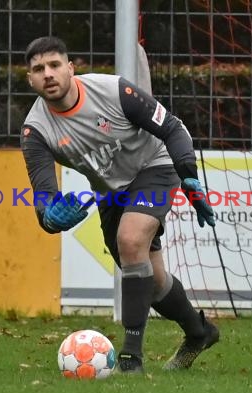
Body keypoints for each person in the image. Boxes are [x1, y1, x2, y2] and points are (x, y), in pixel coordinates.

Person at [20, 36, 219, 373]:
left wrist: (188, 175)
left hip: (156, 165)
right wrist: (50, 217)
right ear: (30, 79)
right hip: (111, 191)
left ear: (71, 68)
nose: (48, 74)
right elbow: (43, 195)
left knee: (130, 240)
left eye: (54, 65)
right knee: (151, 282)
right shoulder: (36, 131)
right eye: (38, 69)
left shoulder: (113, 91)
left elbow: (171, 128)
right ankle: (199, 333)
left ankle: (130, 357)